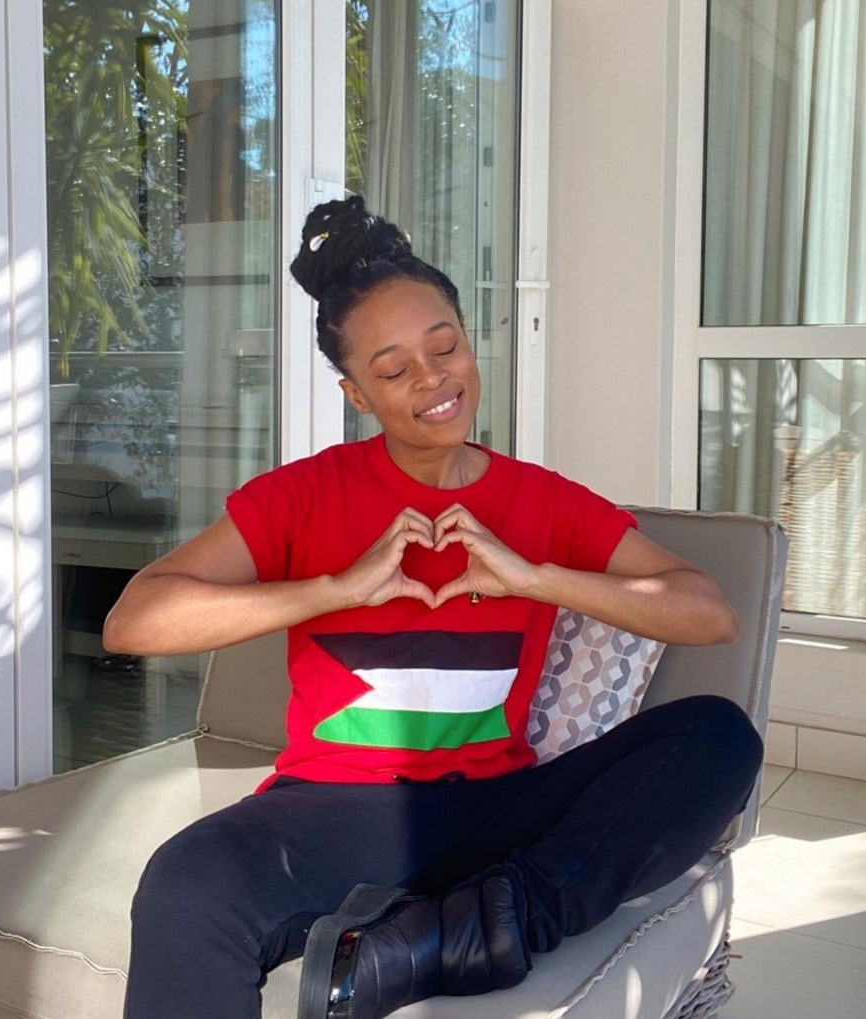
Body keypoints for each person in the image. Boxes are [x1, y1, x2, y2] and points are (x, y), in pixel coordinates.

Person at [105, 196, 763, 1019]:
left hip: (496, 811)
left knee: (717, 737)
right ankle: (442, 926)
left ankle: (453, 935)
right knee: (186, 881)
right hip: (335, 808)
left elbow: (707, 612)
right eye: (392, 371)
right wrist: (336, 588)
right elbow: (135, 619)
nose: (432, 379)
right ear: (356, 394)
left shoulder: (542, 500)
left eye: (444, 346)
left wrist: (535, 577)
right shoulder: (303, 495)